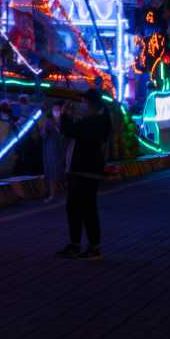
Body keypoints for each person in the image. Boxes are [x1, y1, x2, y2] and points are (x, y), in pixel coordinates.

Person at [55, 90, 113, 260]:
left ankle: (90, 248)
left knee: (84, 209)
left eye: (83, 102)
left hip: (83, 171)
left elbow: (69, 130)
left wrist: (64, 115)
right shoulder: (97, 120)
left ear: (91, 104)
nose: (81, 105)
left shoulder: (95, 122)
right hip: (84, 170)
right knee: (80, 209)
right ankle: (79, 245)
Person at [40, 99, 67, 204]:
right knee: (52, 173)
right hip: (51, 150)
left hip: (63, 150)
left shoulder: (65, 120)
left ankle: (64, 194)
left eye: (58, 109)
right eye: (54, 109)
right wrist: (46, 130)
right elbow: (43, 135)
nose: (56, 111)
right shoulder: (48, 122)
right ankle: (52, 195)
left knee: (63, 172)